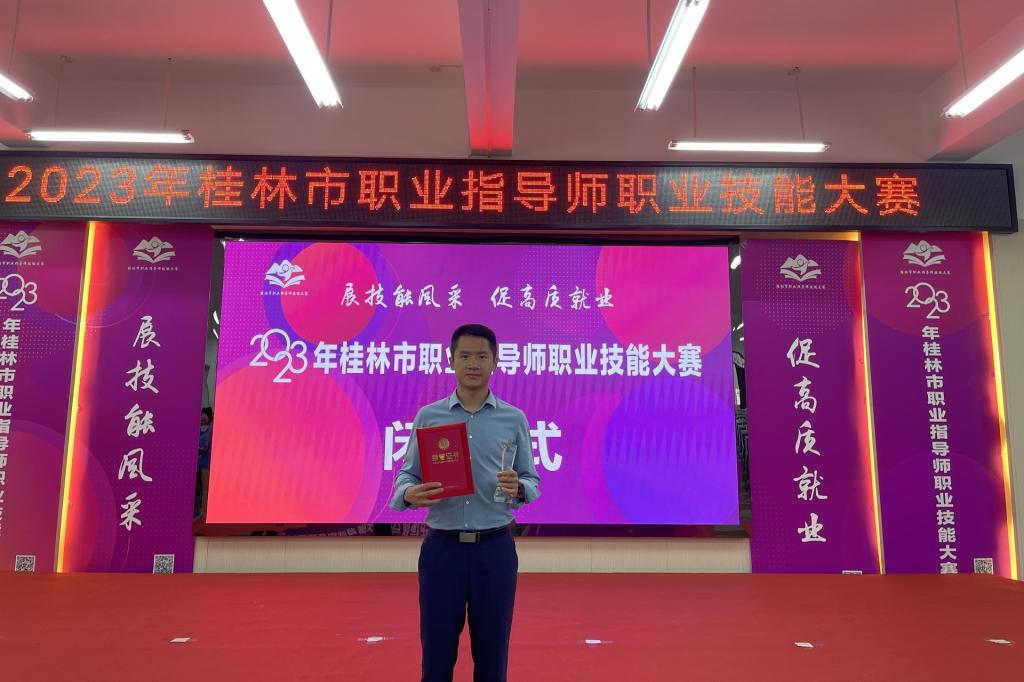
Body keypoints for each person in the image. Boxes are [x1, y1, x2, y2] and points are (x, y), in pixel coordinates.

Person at [391, 323, 541, 682]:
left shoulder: (513, 418)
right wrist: (408, 494)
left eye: (482, 356)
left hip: (495, 550)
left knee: (492, 657)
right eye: (465, 356)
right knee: (437, 656)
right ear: (451, 361)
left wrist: (519, 487)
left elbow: (532, 480)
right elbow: (406, 476)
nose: (473, 363)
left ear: (496, 362)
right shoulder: (430, 416)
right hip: (443, 551)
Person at [197, 407, 213, 517]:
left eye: (204, 415)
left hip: (206, 461)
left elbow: (206, 447)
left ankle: (204, 512)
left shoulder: (211, 427)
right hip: (203, 461)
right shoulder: (204, 429)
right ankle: (203, 510)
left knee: (205, 488)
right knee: (203, 487)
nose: (202, 418)